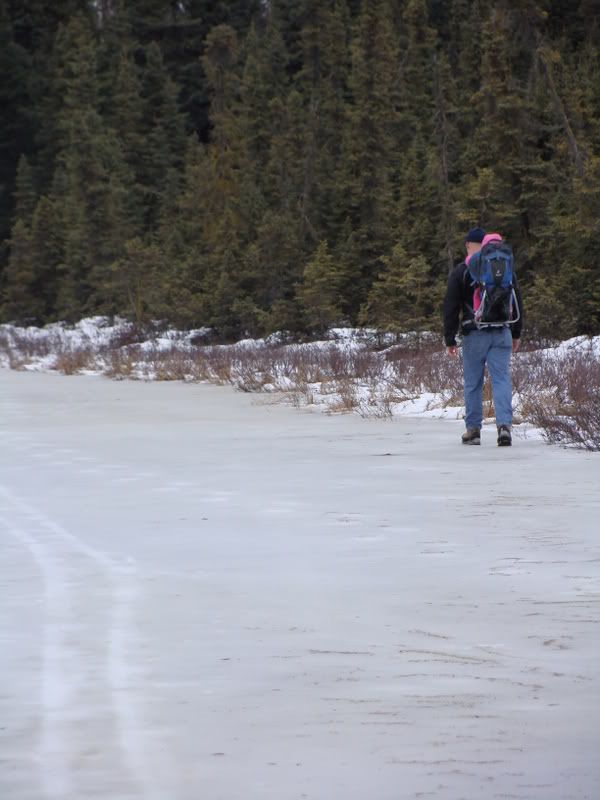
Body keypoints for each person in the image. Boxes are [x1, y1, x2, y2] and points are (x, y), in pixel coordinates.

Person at [443, 227, 523, 447]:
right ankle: (504, 427)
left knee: (473, 383)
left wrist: (449, 338)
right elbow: (517, 300)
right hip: (502, 331)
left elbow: (451, 306)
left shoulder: (462, 271)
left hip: (474, 332)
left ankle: (473, 430)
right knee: (501, 379)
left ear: (469, 245)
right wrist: (516, 332)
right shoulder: (504, 267)